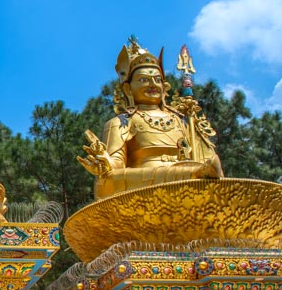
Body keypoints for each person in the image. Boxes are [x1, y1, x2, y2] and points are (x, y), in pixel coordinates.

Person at [78, 37, 222, 199]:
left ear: (164, 86)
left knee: (209, 175)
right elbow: (116, 166)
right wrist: (106, 164)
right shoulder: (121, 122)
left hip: (191, 174)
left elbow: (209, 161)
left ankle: (191, 175)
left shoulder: (183, 120)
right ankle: (189, 175)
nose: (152, 84)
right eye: (144, 80)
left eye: (157, 79)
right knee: (107, 181)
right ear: (128, 89)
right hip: (144, 183)